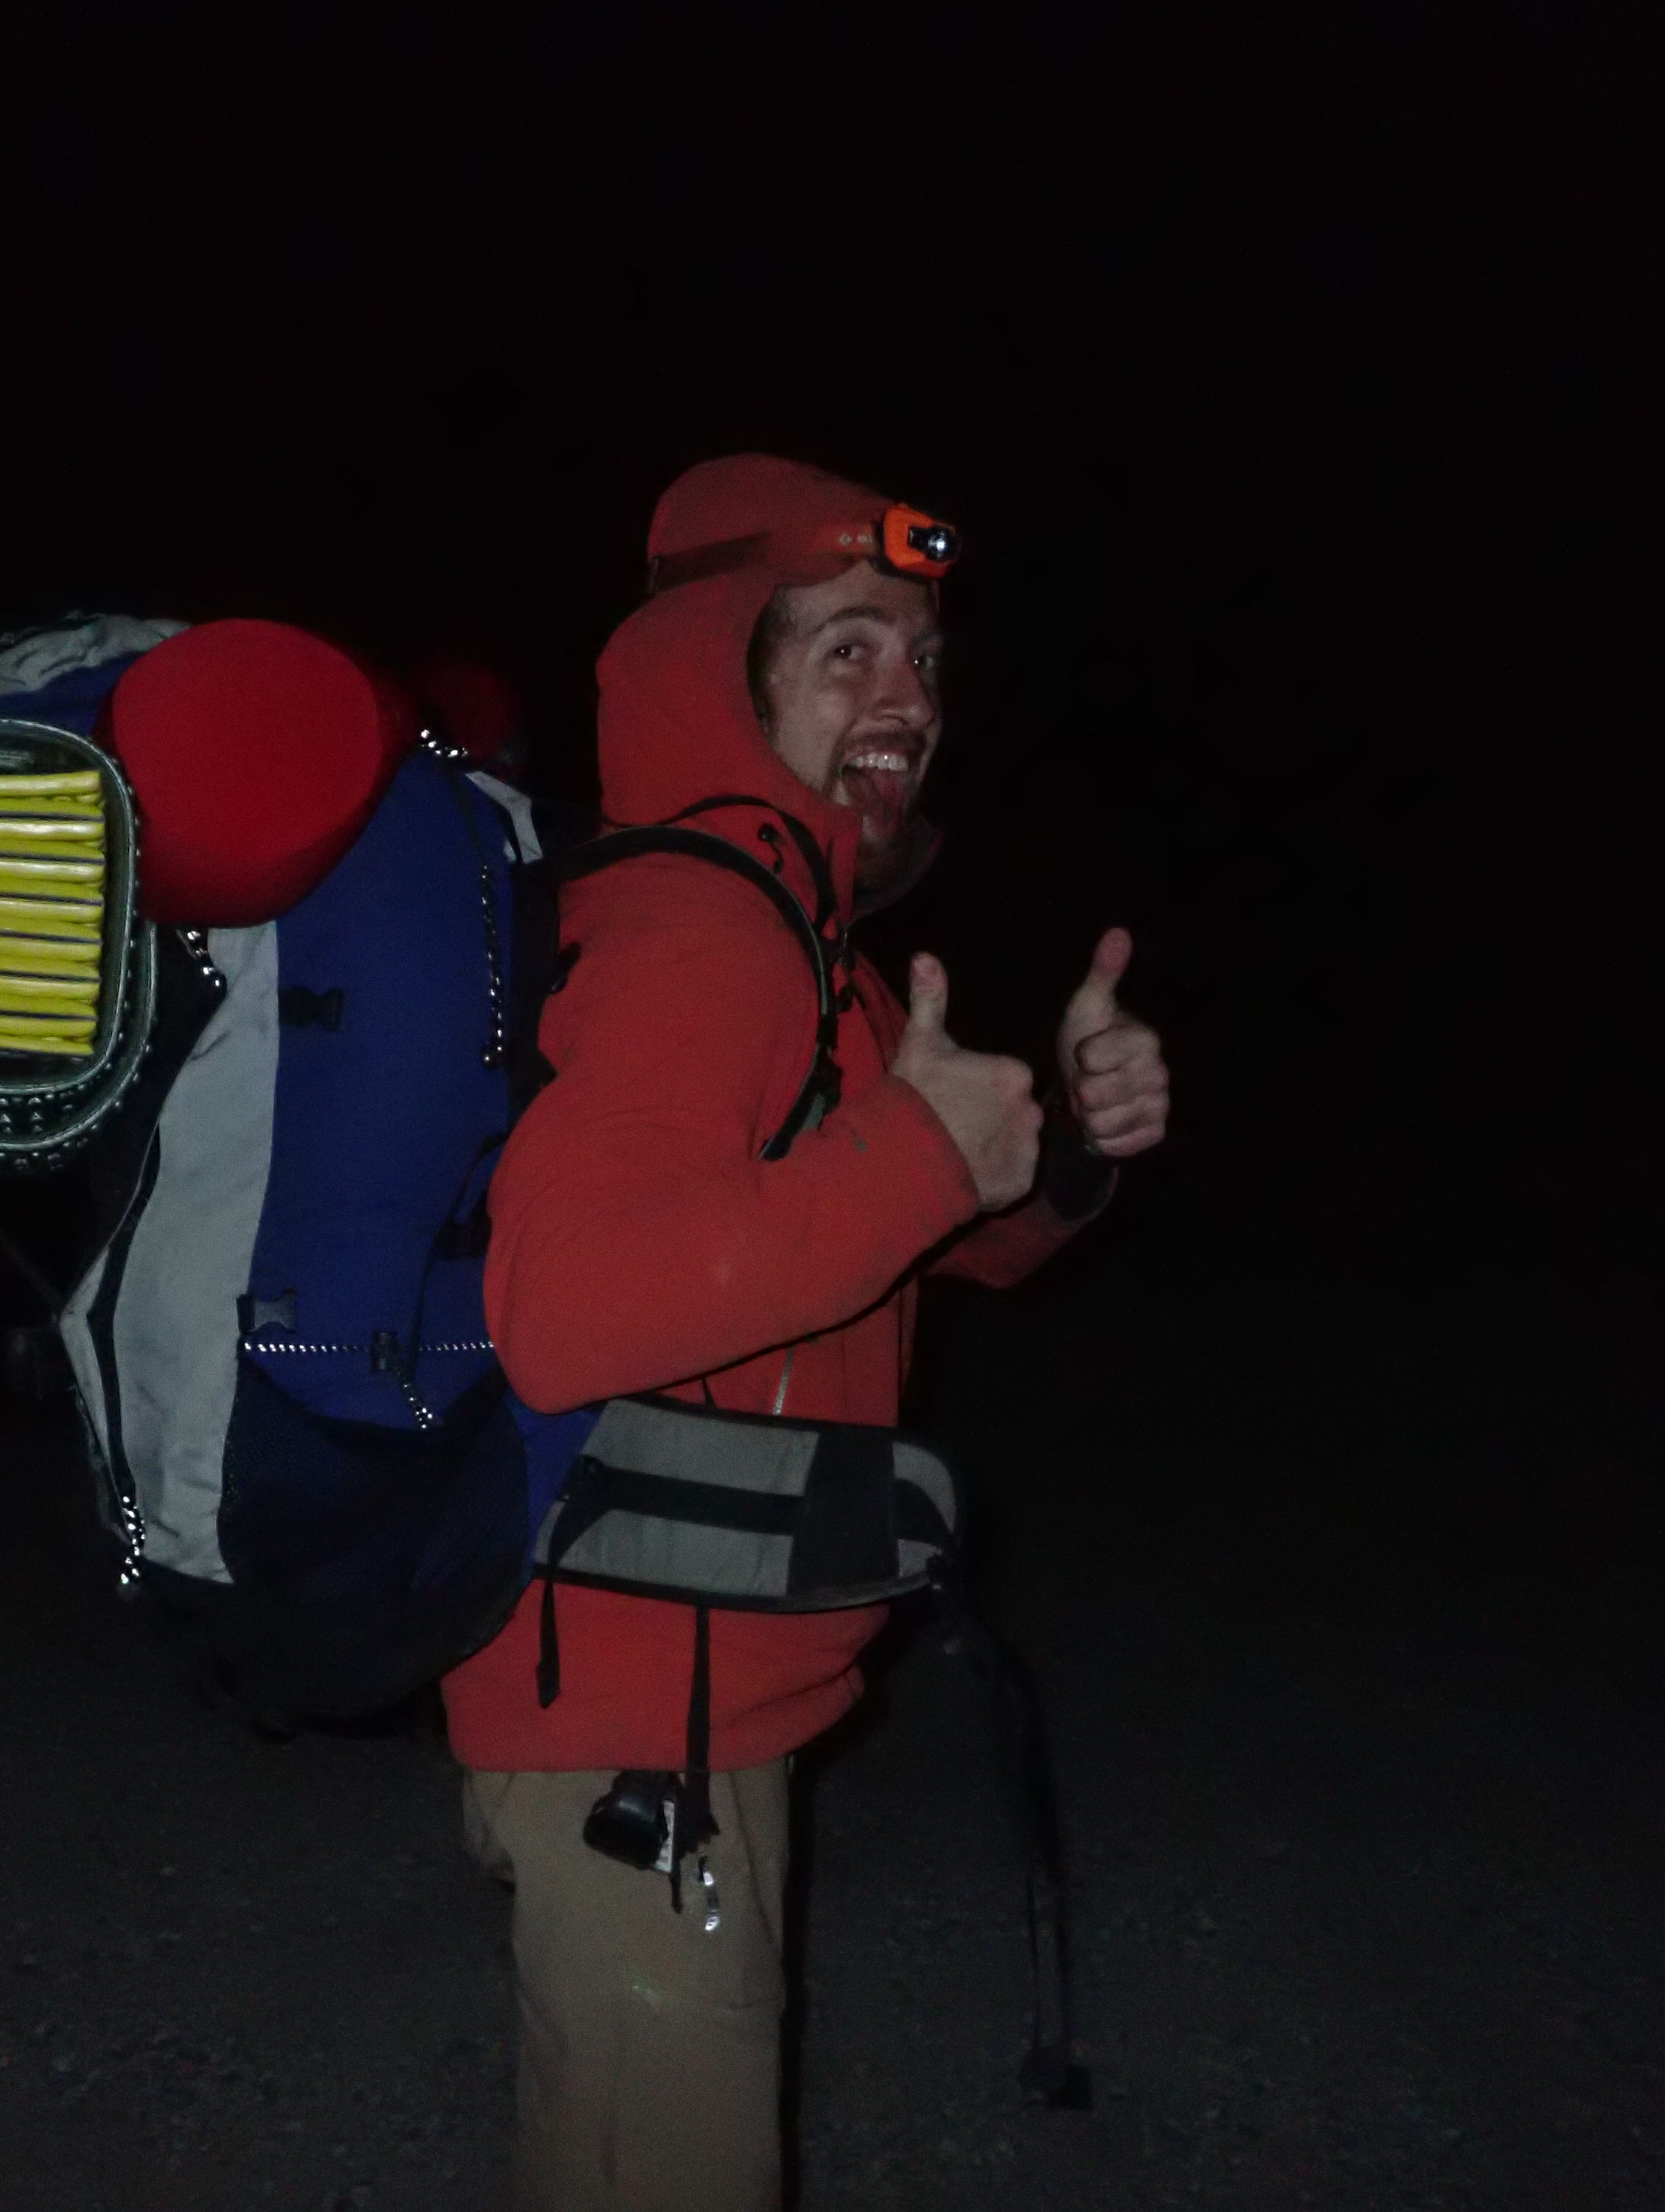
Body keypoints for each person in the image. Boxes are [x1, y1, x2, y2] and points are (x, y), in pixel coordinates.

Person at [445, 454, 1174, 2210]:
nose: (904, 698)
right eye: (844, 650)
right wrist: (916, 1153)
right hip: (636, 1720)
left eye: (919, 658)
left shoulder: (801, 942)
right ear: (721, 676)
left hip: (697, 1688)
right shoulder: (701, 933)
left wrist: (1054, 1157)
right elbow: (560, 1308)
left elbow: (877, 1249)